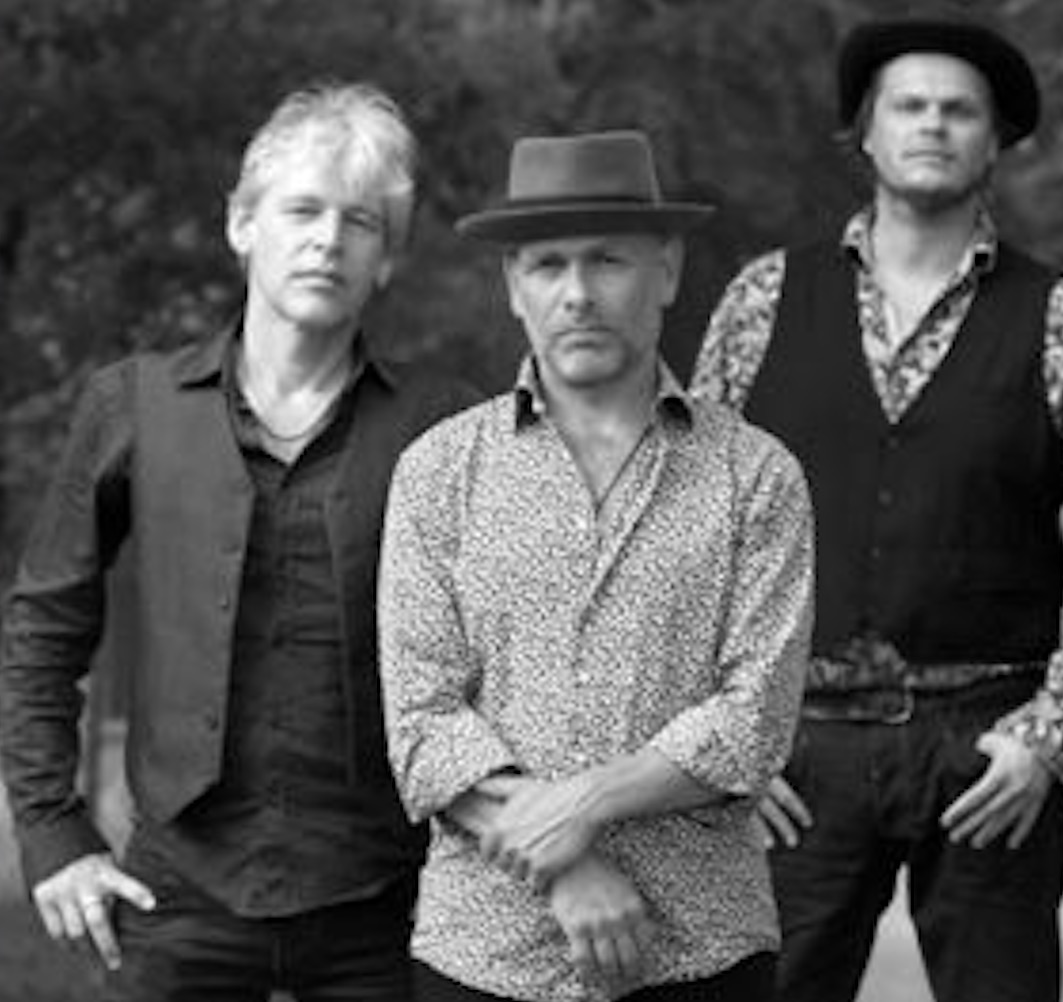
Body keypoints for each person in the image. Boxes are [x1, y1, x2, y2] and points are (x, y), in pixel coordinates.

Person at [690, 17, 1063, 1002]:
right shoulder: (762, 302)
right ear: (867, 132)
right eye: (909, 106)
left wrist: (1051, 736)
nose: (934, 125)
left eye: (960, 111)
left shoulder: (1060, 320)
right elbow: (691, 534)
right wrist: (720, 744)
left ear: (995, 142)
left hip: (988, 752)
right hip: (796, 749)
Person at [0, 82, 479, 999]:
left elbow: (520, 645)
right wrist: (53, 833)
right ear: (241, 225)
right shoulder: (131, 405)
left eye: (360, 222)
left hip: (392, 900)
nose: (328, 240)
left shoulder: (446, 426)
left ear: (386, 259)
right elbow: (44, 627)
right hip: (177, 893)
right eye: (302, 210)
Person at [378, 130, 814, 1002]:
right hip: (483, 953)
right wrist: (565, 864)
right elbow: (423, 722)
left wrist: (584, 804)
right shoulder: (439, 471)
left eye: (608, 260)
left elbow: (754, 719)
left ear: (667, 271)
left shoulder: (757, 475)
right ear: (514, 286)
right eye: (548, 265)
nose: (578, 293)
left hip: (701, 950)